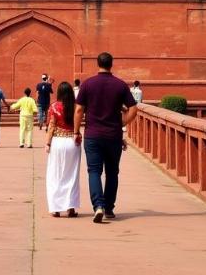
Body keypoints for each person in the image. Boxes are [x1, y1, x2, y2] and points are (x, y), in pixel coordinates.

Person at [74, 52, 138, 223]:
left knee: (94, 171)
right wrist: (123, 123)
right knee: (112, 172)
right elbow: (133, 108)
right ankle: (109, 208)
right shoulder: (120, 85)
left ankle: (98, 206)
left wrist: (75, 131)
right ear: (112, 64)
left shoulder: (88, 84)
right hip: (113, 136)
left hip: (93, 135)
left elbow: (79, 110)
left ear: (98, 64)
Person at [45, 81, 82, 218]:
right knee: (72, 175)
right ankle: (71, 208)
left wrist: (47, 143)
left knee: (55, 174)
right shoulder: (76, 107)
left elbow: (51, 126)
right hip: (73, 142)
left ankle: (56, 208)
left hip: (58, 142)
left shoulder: (54, 106)